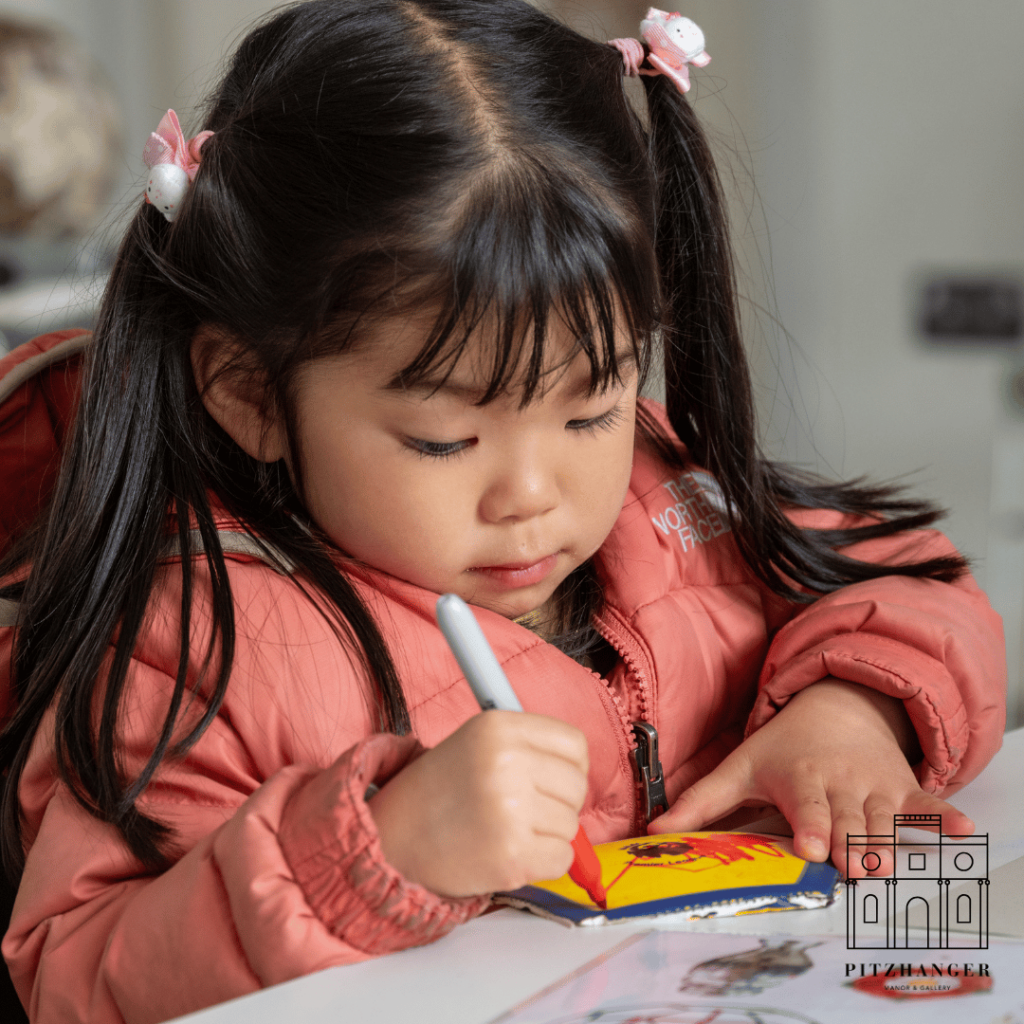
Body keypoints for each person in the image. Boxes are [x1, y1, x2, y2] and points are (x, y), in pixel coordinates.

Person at [0, 1, 1006, 1021]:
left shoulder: (669, 488)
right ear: (252, 392)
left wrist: (852, 709)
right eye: (445, 440)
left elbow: (909, 581)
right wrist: (378, 851)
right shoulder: (195, 647)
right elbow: (76, 970)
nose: (533, 494)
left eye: (592, 407)